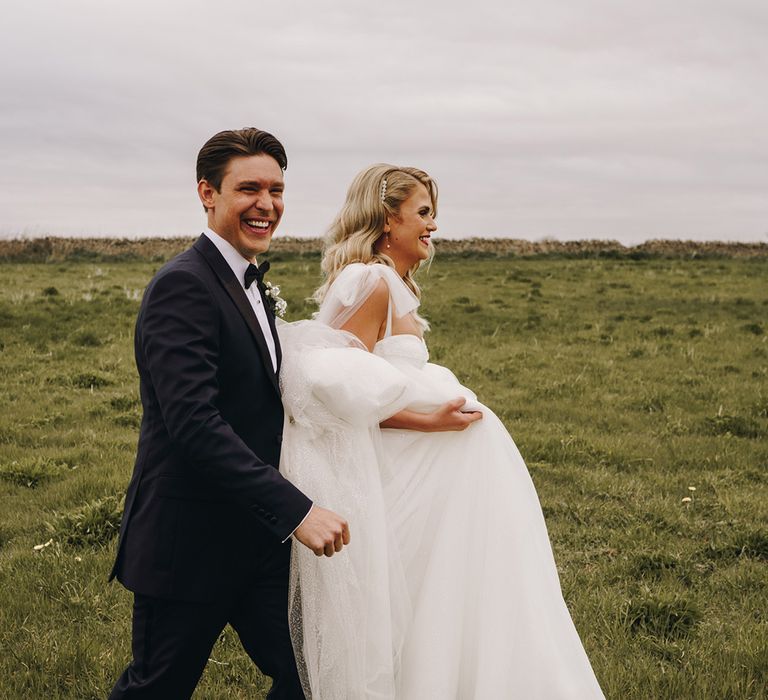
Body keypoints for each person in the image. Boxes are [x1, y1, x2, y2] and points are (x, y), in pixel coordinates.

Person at [278, 164, 605, 698]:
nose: (434, 226)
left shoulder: (393, 283)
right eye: (424, 214)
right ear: (388, 218)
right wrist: (429, 419)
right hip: (404, 475)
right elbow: (337, 388)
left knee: (464, 598)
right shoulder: (370, 281)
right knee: (424, 608)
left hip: (433, 480)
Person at [108, 128, 349, 700]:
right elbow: (194, 423)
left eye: (277, 190)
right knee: (157, 689)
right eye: (249, 189)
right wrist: (297, 510)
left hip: (256, 541)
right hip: (188, 542)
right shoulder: (183, 286)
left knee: (311, 675)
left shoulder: (248, 282)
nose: (266, 205)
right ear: (207, 193)